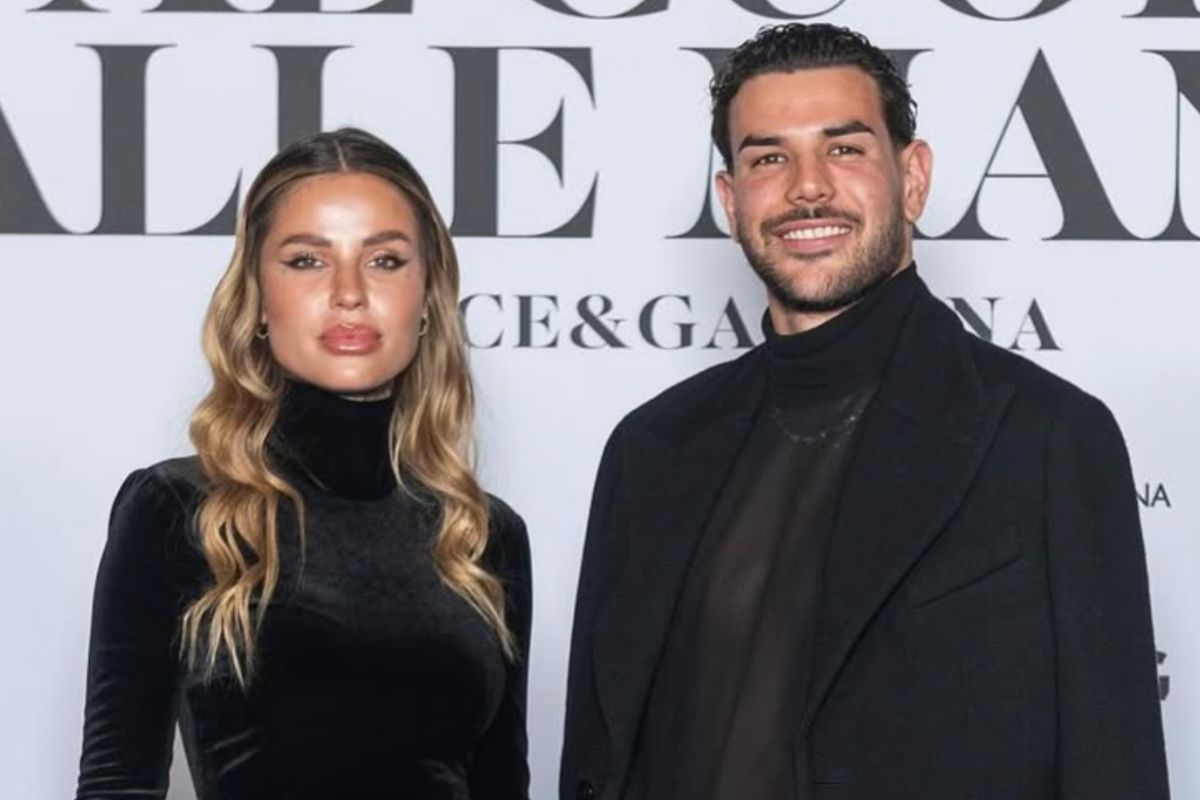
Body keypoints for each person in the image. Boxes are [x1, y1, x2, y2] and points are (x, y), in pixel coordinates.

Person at [561, 23, 1168, 800]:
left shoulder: (1046, 438)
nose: (807, 187)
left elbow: (1113, 765)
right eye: (769, 158)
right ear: (730, 199)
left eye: (843, 149)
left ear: (912, 179)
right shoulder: (649, 448)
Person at [75, 128, 531, 800]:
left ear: (427, 297)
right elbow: (118, 782)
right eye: (307, 260)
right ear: (259, 299)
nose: (349, 292)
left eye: (384, 260)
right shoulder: (179, 509)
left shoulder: (482, 536)